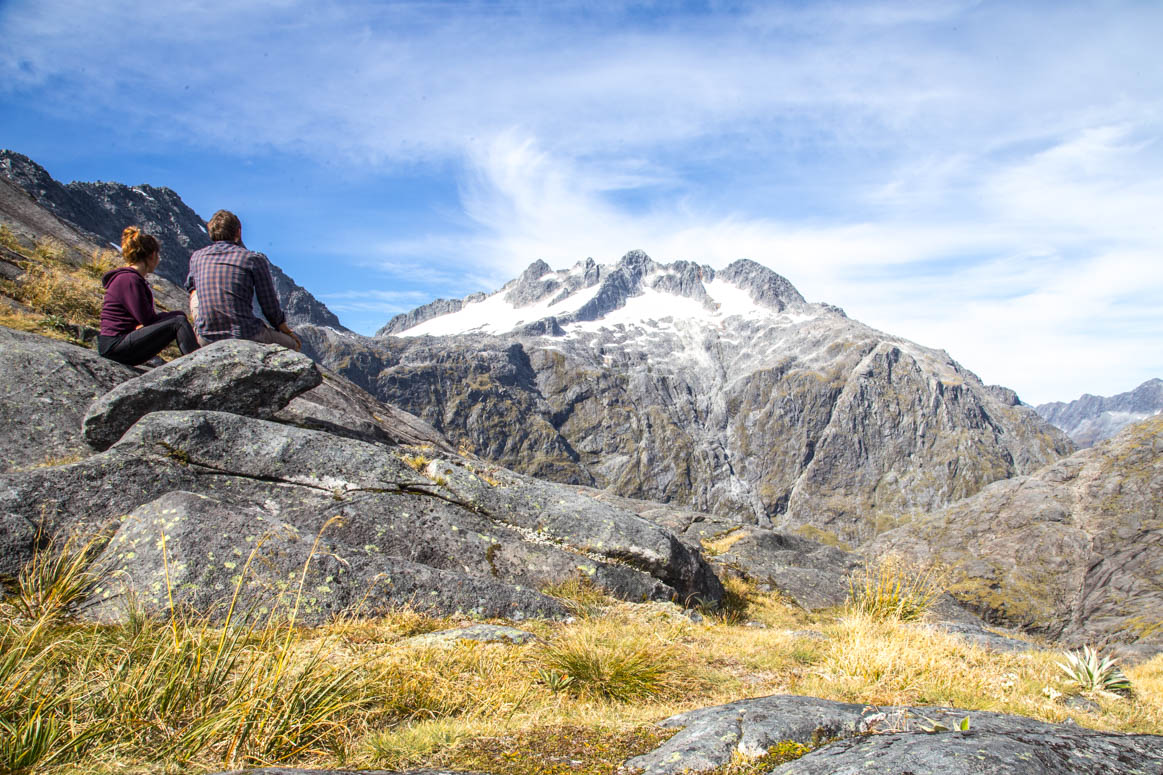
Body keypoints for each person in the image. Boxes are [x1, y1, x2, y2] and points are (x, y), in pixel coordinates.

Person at [185, 209, 301, 350]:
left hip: (206, 337)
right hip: (246, 335)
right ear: (238, 232)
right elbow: (269, 305)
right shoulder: (252, 259)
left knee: (195, 292)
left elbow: (191, 289)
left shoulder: (197, 257)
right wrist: (286, 330)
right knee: (292, 345)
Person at [98, 226, 200, 366]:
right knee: (178, 322)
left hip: (115, 344)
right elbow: (147, 319)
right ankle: (197, 364)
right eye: (158, 256)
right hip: (115, 346)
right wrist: (172, 317)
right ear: (152, 255)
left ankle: (195, 361)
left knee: (178, 317)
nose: (158, 260)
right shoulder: (129, 280)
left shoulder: (129, 278)